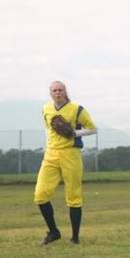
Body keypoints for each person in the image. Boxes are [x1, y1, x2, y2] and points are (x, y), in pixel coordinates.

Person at [34, 81, 97, 245]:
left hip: (71, 154)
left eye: (60, 90)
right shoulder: (46, 109)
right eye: (54, 90)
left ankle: (75, 238)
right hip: (51, 155)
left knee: (73, 196)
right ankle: (54, 232)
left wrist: (74, 132)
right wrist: (49, 144)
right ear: (50, 94)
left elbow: (93, 129)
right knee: (40, 195)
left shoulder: (77, 109)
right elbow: (48, 129)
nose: (57, 93)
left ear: (65, 92)